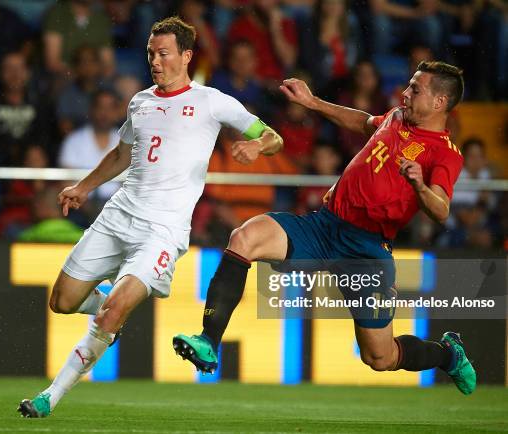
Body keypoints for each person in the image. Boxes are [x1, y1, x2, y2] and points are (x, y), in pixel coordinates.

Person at [18, 16, 284, 418]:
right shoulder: (140, 102)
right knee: (62, 301)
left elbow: (273, 137)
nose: (155, 61)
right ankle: (112, 310)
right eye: (150, 54)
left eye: (163, 53)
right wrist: (85, 187)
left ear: (186, 55)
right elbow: (122, 154)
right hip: (119, 214)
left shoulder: (212, 101)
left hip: (162, 229)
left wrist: (257, 148)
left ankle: (50, 396)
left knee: (111, 311)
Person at [173, 61, 476, 395]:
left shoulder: (446, 154)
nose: (405, 93)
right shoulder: (396, 116)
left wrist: (419, 186)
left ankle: (449, 355)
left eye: (415, 89)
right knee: (244, 237)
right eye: (408, 85)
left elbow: (442, 210)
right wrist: (313, 102)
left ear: (439, 102)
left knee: (380, 356)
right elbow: (364, 122)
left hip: (367, 250)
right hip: (324, 226)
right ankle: (208, 341)